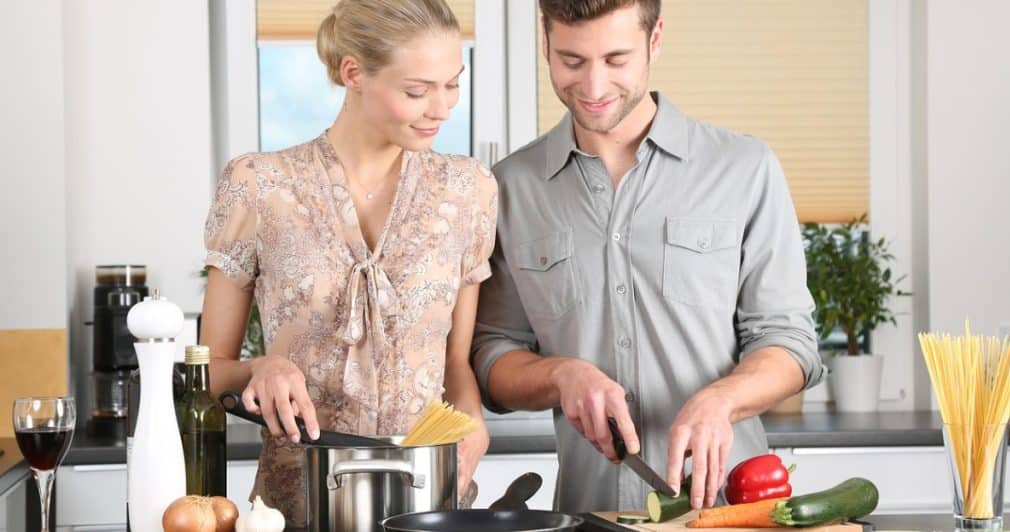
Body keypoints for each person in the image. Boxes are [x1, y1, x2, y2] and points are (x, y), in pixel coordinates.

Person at [471, 0, 825, 515]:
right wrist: (562, 375)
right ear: (544, 44)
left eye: (616, 60)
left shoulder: (744, 169)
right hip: (588, 514)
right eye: (571, 61)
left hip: (732, 513)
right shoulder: (511, 188)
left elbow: (791, 343)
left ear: (655, 39)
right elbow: (491, 357)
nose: (593, 88)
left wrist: (722, 399)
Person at [200, 0, 496, 525]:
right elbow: (206, 371)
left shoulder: (469, 190)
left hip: (430, 504)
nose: (442, 108)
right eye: (417, 90)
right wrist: (261, 367)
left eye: (453, 83)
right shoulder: (259, 186)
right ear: (352, 72)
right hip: (296, 509)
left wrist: (471, 420)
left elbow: (455, 364)